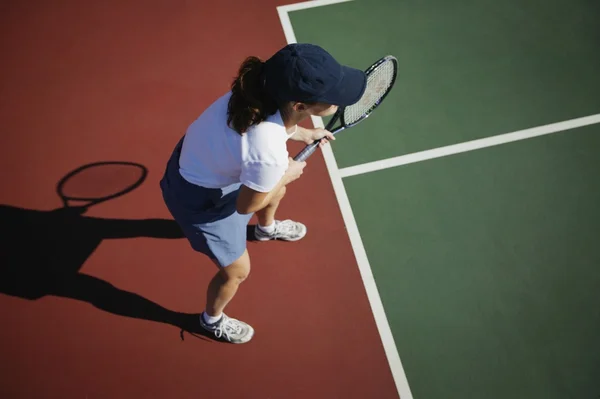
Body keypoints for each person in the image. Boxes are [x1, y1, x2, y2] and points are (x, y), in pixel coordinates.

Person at [159, 43, 367, 344]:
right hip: (200, 198)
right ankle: (210, 320)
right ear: (299, 105)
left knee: (275, 186)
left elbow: (273, 130)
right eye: (333, 99)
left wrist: (304, 134)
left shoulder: (257, 92)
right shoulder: (267, 153)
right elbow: (245, 206)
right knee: (238, 271)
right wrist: (287, 174)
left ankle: (266, 230)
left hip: (201, 162)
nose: (338, 103)